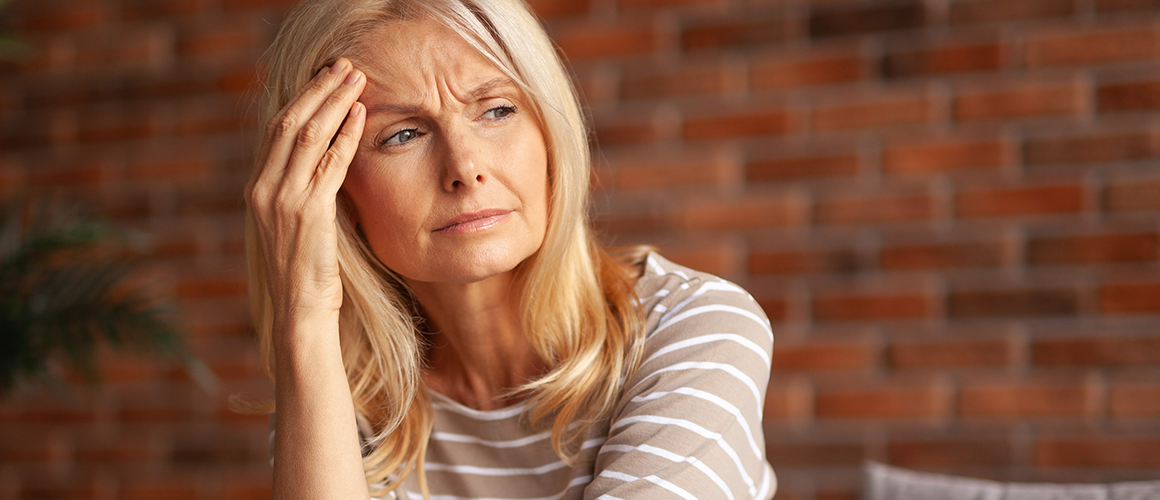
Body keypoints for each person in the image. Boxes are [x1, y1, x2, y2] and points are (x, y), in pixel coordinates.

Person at [240, 0, 776, 497]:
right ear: (328, 187)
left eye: (496, 110)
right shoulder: (332, 386)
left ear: (549, 130)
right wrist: (305, 317)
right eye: (402, 135)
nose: (465, 167)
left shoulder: (697, 328)